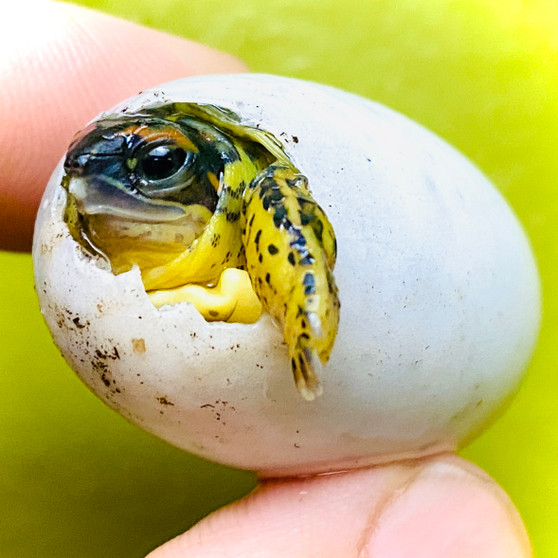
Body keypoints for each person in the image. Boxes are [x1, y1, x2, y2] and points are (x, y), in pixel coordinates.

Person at [0, 3, 531, 556]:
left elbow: (288, 218)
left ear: (223, 177)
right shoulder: (91, 271)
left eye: (160, 163)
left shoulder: (264, 193)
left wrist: (301, 304)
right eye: (81, 171)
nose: (91, 188)